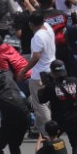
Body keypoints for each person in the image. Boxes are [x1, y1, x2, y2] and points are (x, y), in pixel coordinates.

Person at [38, 60, 77, 154]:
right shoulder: (75, 81)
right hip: (73, 118)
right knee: (76, 145)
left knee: (49, 142)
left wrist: (42, 86)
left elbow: (41, 100)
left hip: (58, 121)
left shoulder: (51, 86)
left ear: (53, 72)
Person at [18, 11, 54, 142]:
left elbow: (36, 56)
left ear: (31, 24)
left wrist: (24, 70)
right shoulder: (48, 28)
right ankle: (37, 128)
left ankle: (50, 133)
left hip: (39, 74)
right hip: (50, 71)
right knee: (43, 102)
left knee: (40, 105)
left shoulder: (37, 37)